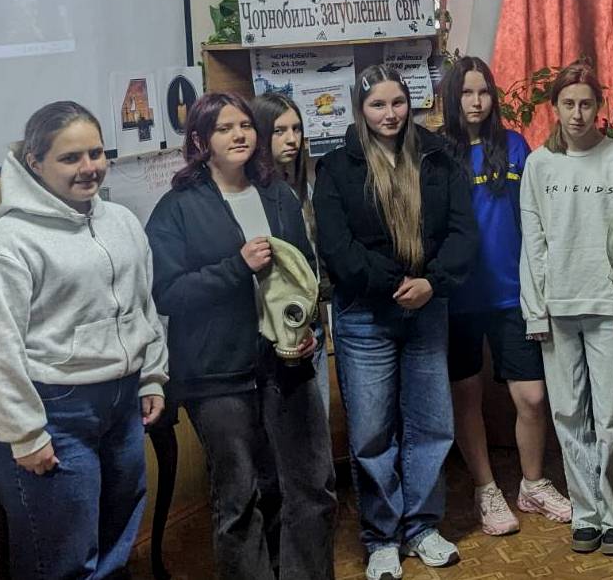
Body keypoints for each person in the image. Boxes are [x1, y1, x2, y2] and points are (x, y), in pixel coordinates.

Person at [147, 92, 336, 580]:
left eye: (246, 126)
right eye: (224, 128)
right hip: (217, 375)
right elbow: (167, 292)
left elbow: (303, 275)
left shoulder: (278, 195)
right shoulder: (177, 208)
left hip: (287, 364)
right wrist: (237, 267)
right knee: (239, 499)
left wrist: (307, 330)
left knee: (312, 487)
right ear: (199, 141)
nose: (239, 136)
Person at [0, 101, 168, 580]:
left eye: (96, 153)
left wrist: (151, 376)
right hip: (53, 413)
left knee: (115, 545)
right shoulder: (7, 242)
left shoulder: (121, 221)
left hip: (122, 406)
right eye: (70, 158)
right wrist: (25, 434)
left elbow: (143, 304)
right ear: (34, 162)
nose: (89, 167)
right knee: (63, 562)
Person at [314, 66, 478, 580]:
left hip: (427, 307)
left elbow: (463, 232)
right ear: (360, 110)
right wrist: (393, 282)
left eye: (398, 102)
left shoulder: (439, 156)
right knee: (371, 432)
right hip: (365, 314)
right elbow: (337, 246)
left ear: (411, 103)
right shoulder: (336, 167)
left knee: (432, 424)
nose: (390, 114)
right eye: (378, 105)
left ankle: (422, 527)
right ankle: (382, 537)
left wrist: (432, 282)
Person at [436, 57, 572, 536]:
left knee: (532, 397)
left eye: (483, 92)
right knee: (466, 395)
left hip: (514, 295)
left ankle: (532, 484)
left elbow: (536, 216)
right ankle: (486, 488)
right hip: (458, 299)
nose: (476, 102)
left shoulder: (514, 146)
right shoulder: (436, 152)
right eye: (466, 93)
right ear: (451, 98)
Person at [519, 61, 613, 556]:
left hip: (609, 305)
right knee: (568, 413)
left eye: (586, 104)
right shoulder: (539, 165)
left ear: (599, 107)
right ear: (554, 107)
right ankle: (587, 512)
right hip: (558, 308)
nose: (577, 113)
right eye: (568, 104)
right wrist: (535, 310)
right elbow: (533, 240)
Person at [253, 91, 331, 412]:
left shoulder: (303, 188)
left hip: (310, 322)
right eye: (280, 130)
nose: (292, 139)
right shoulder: (255, 195)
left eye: (296, 129)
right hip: (276, 329)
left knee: (318, 420)